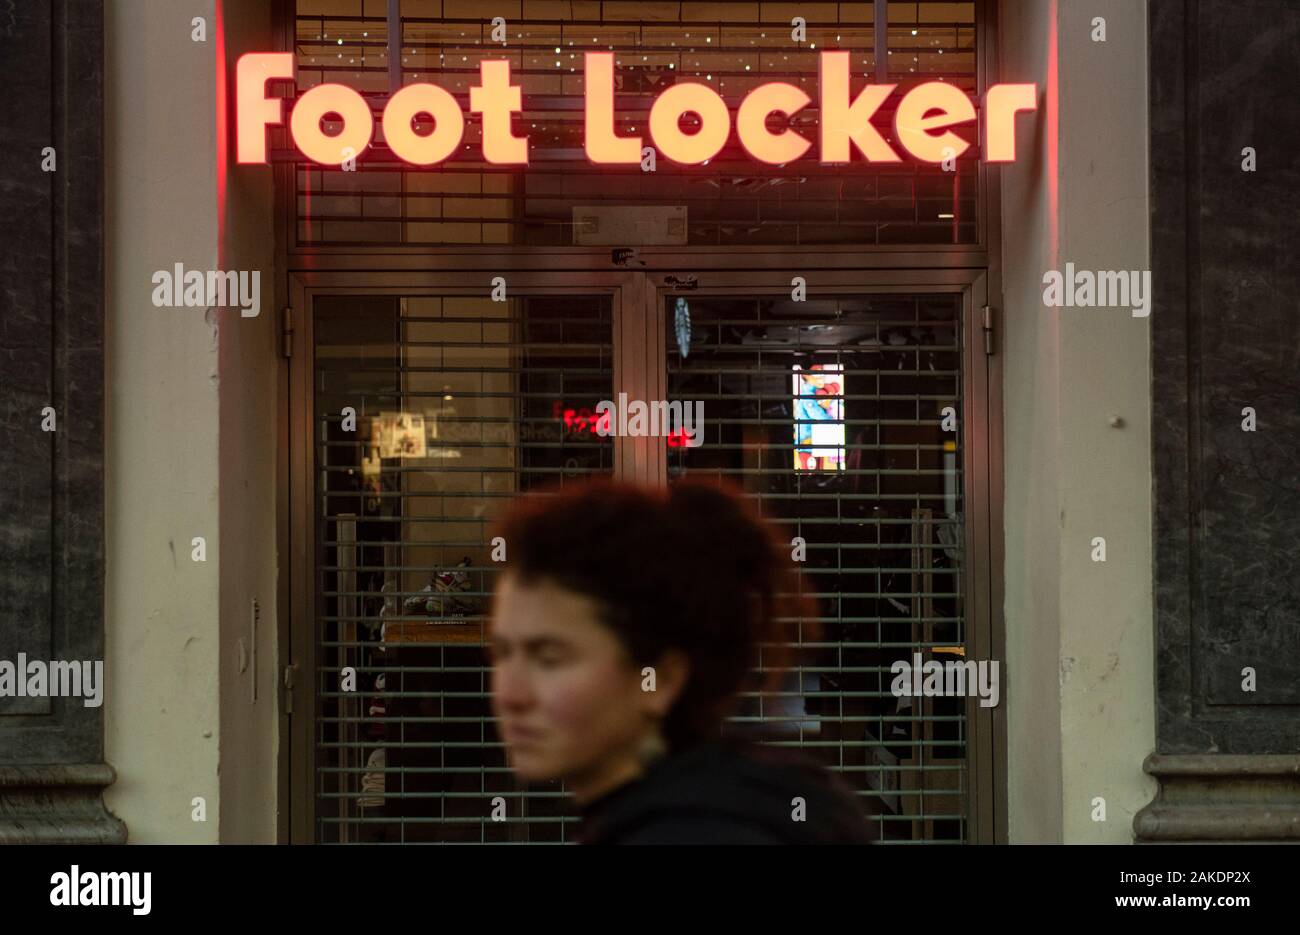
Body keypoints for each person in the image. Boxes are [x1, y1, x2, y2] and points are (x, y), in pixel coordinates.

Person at [487, 479, 874, 844]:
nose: (511, 694)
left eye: (550, 658)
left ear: (662, 679)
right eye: (502, 653)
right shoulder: (741, 808)